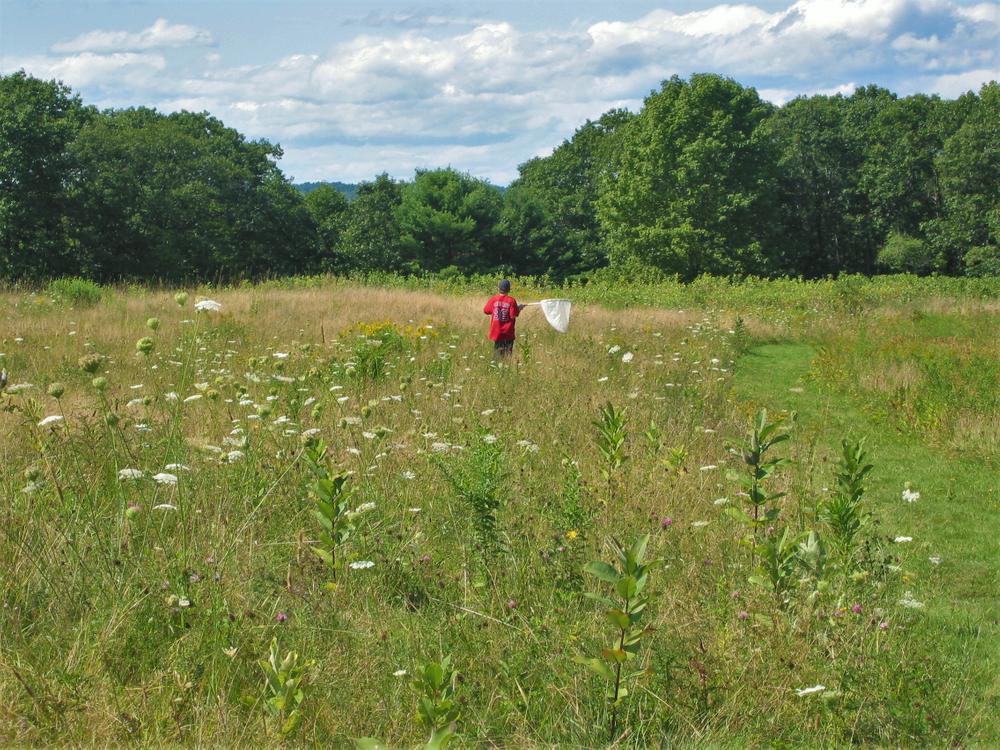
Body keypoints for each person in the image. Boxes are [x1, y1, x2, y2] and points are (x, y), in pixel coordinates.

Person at [483, 279, 524, 358]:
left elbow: (486, 310)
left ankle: (496, 365)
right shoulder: (511, 301)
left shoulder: (494, 299)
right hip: (508, 333)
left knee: (497, 354)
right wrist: (519, 308)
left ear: (498, 288)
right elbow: (513, 315)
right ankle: (506, 365)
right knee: (507, 355)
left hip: (496, 332)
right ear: (509, 289)